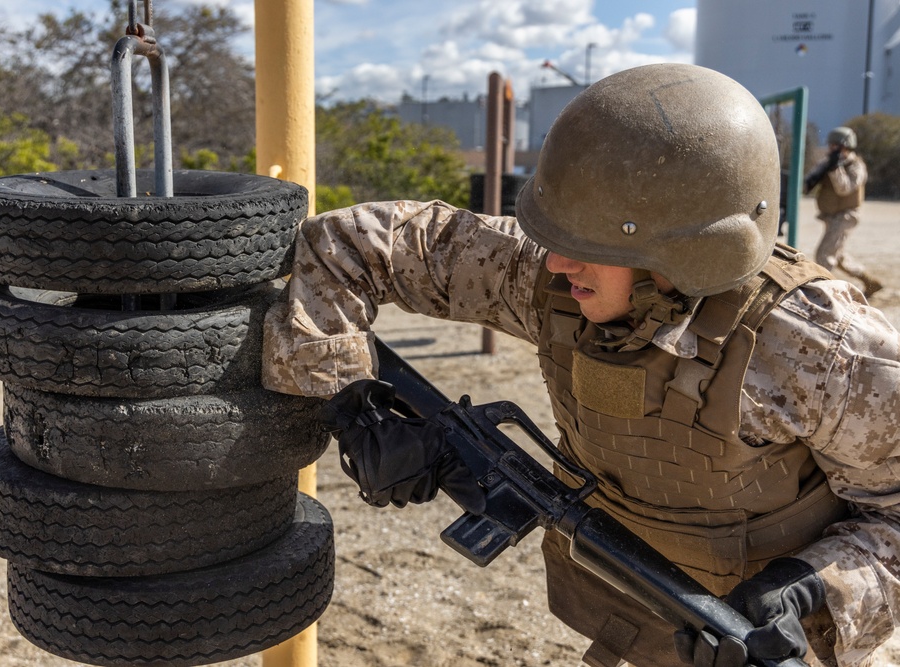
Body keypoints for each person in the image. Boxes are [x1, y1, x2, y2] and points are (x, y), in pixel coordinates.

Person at [262, 63, 900, 667]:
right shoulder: (546, 276)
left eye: (586, 246)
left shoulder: (823, 348)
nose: (557, 265)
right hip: (635, 618)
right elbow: (346, 244)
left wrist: (810, 592)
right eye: (555, 238)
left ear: (689, 255)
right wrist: (353, 406)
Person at [804, 126, 883, 297]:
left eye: (836, 146)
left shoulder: (856, 166)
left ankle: (826, 294)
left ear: (847, 146)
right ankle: (869, 281)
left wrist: (834, 169)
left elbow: (844, 188)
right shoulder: (828, 162)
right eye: (830, 145)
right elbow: (810, 181)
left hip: (846, 216)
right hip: (830, 216)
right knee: (838, 256)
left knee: (824, 254)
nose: (832, 149)